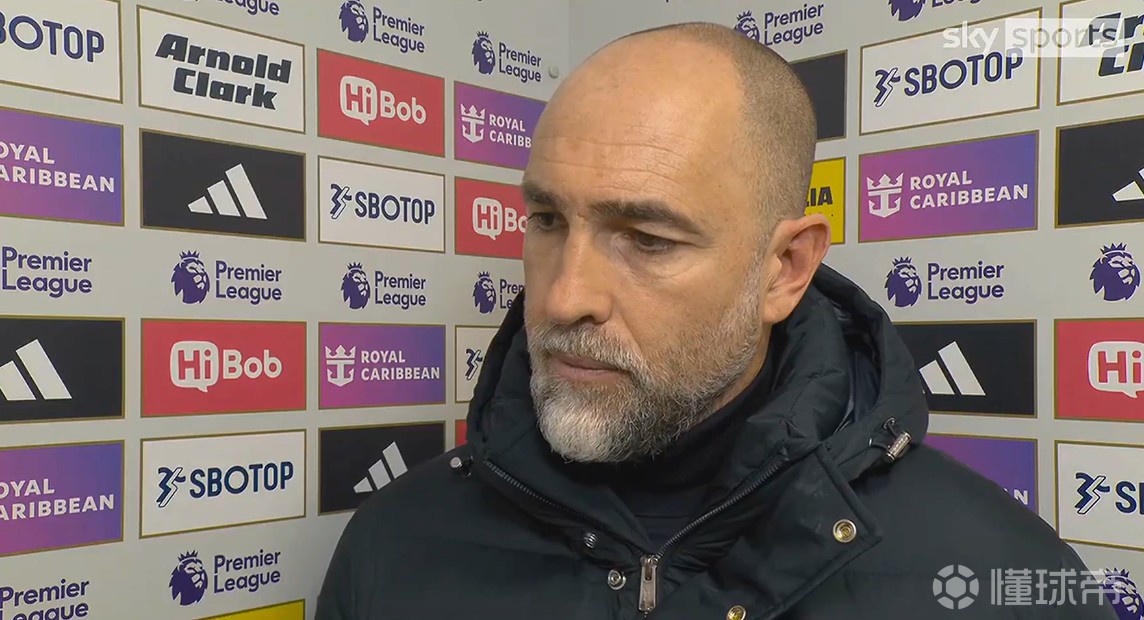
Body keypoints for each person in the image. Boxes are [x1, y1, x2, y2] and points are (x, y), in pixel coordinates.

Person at [316, 23, 1116, 619]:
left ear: (785, 269)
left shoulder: (991, 575)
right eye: (548, 220)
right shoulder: (393, 547)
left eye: (647, 238)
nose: (561, 299)